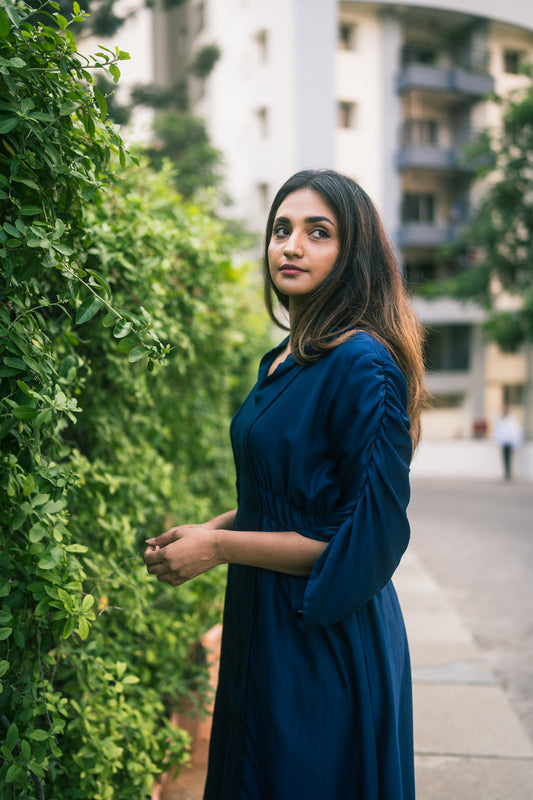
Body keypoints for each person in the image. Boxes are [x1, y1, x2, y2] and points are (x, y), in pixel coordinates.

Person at [144, 169, 427, 799]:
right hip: (261, 623)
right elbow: (281, 497)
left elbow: (355, 544)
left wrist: (218, 550)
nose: (291, 246)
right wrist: (211, 529)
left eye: (317, 232)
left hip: (323, 636)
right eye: (281, 229)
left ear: (352, 254)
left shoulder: (364, 364)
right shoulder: (282, 359)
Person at [493, 407, 523, 480]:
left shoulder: (512, 420)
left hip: (510, 442)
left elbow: (516, 431)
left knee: (509, 458)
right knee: (505, 458)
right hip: (504, 442)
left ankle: (508, 473)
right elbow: (493, 417)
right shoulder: (501, 420)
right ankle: (506, 473)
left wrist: (515, 442)